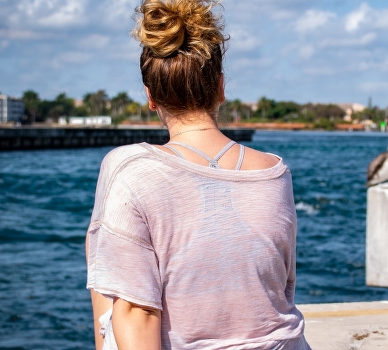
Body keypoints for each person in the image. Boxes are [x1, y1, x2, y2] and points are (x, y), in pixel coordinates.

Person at [85, 0, 310, 349]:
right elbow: (279, 286)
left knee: (108, 257)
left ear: (151, 97)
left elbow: (136, 313)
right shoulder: (274, 172)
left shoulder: (131, 170)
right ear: (220, 87)